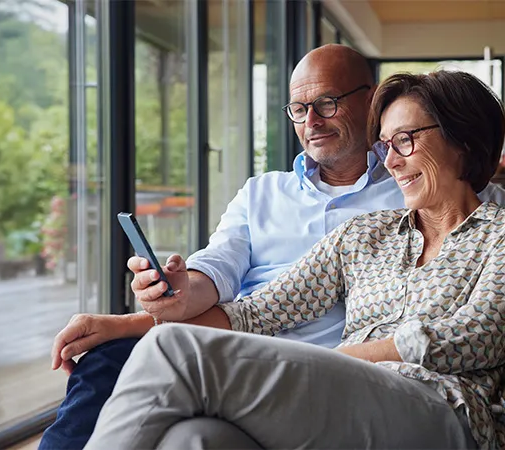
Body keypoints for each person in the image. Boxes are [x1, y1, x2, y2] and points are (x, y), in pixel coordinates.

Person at [39, 44, 505, 449]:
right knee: (194, 440)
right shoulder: (365, 234)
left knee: (173, 350)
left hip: (441, 406)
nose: (393, 161)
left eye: (405, 141)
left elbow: (476, 335)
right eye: (387, 145)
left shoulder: (498, 229)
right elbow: (254, 313)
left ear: (463, 139)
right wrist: (133, 322)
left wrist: (334, 362)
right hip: (327, 387)